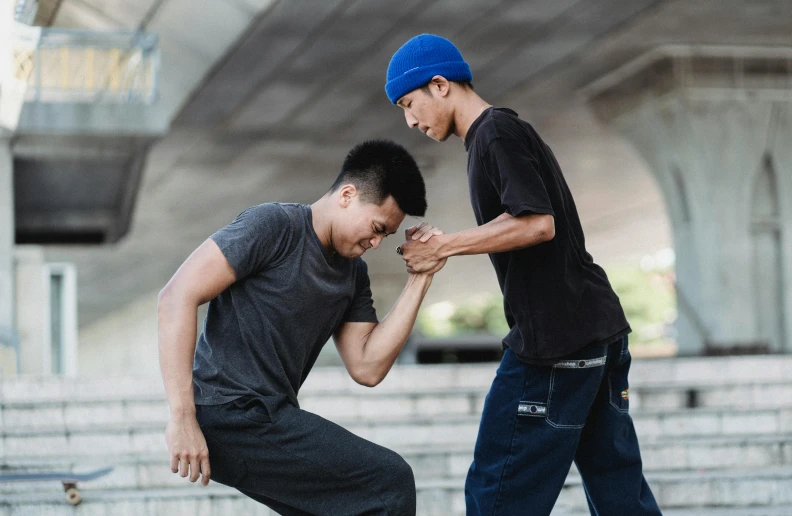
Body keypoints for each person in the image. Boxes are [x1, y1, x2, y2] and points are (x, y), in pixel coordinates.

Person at [385, 34, 663, 515]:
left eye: (410, 103)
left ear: (440, 84)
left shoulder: (493, 133)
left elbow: (537, 223)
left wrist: (446, 246)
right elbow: (524, 219)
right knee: (621, 497)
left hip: (555, 341)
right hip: (596, 329)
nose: (410, 120)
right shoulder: (498, 135)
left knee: (497, 495)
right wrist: (446, 239)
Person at [157, 139, 446, 516]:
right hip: (229, 411)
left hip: (271, 416)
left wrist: (419, 279)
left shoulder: (353, 274)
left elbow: (367, 367)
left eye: (386, 236)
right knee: (388, 482)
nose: (376, 243)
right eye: (376, 227)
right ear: (347, 195)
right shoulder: (274, 226)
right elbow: (176, 297)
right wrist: (182, 417)